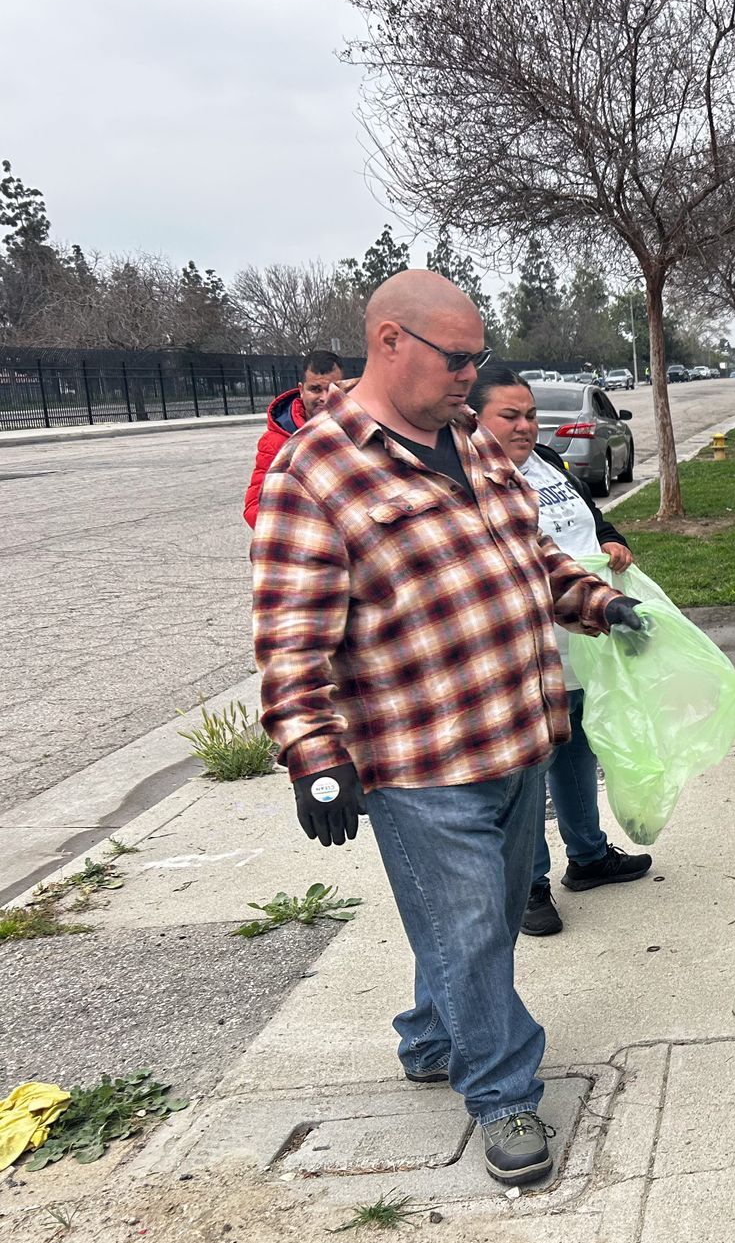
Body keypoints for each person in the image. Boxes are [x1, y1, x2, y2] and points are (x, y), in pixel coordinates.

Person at [251, 270, 653, 1188]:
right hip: (420, 760)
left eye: (478, 356)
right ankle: (503, 1091)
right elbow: (290, 634)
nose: (472, 375)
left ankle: (433, 1035)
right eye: (457, 358)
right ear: (389, 341)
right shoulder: (316, 470)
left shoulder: (471, 441)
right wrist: (313, 755)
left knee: (486, 919)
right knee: (471, 929)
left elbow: (530, 555)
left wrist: (595, 601)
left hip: (520, 737)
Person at [468, 364, 655, 938]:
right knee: (527, 770)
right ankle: (529, 884)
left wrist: (611, 539)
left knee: (577, 750)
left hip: (580, 639)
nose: (525, 426)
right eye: (509, 416)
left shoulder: (546, 461)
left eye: (530, 414)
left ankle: (589, 855)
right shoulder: (473, 481)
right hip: (525, 651)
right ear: (473, 419)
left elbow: (588, 518)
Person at [244, 349, 344, 527]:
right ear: (301, 390)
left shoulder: (361, 429)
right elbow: (254, 508)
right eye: (315, 389)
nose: (324, 398)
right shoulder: (276, 440)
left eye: (332, 389)